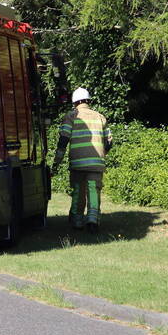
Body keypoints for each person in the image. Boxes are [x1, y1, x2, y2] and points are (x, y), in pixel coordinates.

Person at [52, 88, 113, 233]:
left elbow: (63, 140)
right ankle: (92, 220)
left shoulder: (71, 116)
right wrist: (101, 154)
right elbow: (109, 142)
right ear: (88, 100)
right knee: (93, 190)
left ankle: (77, 220)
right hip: (96, 163)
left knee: (78, 190)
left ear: (75, 102)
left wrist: (57, 162)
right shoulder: (100, 117)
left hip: (78, 163)